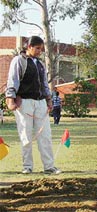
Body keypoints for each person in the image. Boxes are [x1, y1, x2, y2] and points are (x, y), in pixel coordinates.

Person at [5, 36, 62, 174]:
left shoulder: (40, 64)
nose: (39, 51)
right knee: (25, 135)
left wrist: (48, 100)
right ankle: (27, 166)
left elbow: (44, 84)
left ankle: (49, 166)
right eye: (37, 48)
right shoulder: (19, 61)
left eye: (41, 49)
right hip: (24, 102)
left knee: (45, 135)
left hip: (40, 102)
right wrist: (10, 98)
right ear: (29, 47)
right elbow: (13, 80)